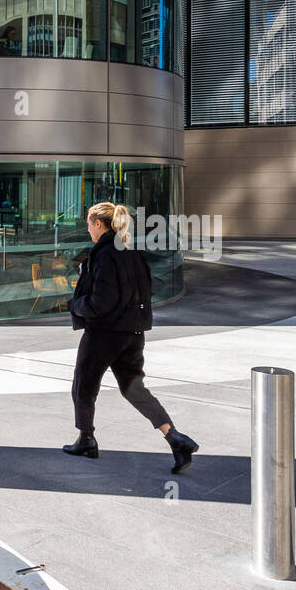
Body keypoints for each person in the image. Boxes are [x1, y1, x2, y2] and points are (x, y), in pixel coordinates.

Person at [64, 201, 199, 474]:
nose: (87, 228)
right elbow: (143, 291)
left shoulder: (103, 255)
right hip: (132, 334)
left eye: (89, 223)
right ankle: (175, 438)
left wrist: (75, 305)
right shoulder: (132, 251)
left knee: (83, 386)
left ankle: (86, 440)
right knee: (133, 389)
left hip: (104, 334)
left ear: (99, 224)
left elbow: (102, 301)